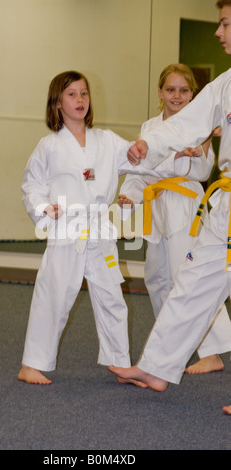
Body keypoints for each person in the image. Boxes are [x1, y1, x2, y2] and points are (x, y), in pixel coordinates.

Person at [108, 0, 231, 416]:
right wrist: (151, 145)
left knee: (187, 277)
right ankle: (158, 366)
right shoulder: (223, 85)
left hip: (199, 198)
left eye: (226, 24)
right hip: (226, 203)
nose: (218, 33)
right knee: (192, 281)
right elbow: (182, 124)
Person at [18, 70, 154, 385]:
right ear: (57, 103)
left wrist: (156, 151)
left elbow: (138, 158)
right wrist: (42, 209)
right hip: (66, 228)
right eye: (71, 94)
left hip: (99, 230)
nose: (80, 100)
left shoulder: (106, 140)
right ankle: (31, 364)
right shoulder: (49, 146)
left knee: (112, 297)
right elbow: (31, 185)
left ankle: (120, 363)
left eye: (84, 93)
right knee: (55, 295)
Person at [118, 64, 230, 375]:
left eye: (183, 90)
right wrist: (131, 194)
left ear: (193, 94)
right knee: (157, 279)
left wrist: (195, 151)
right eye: (170, 89)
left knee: (193, 278)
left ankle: (211, 350)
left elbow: (202, 172)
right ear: (160, 93)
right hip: (158, 208)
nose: (176, 95)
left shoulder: (202, 126)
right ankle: (169, 349)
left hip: (185, 205)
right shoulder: (151, 125)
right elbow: (140, 169)